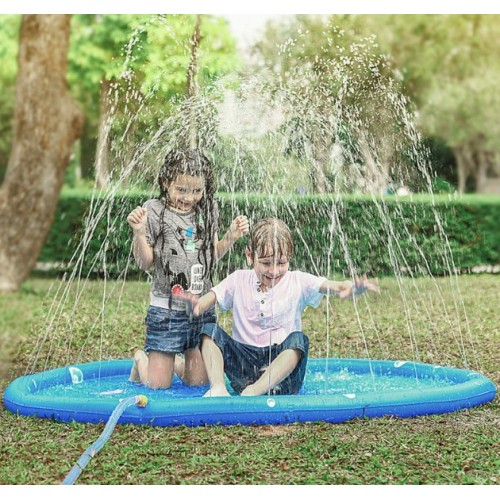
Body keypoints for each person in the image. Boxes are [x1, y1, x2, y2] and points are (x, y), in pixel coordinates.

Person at [174, 217, 379, 397]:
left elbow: (334, 285)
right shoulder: (238, 279)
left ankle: (255, 391)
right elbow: (204, 302)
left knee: (298, 341)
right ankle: (218, 388)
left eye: (281, 263)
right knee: (209, 331)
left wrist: (353, 288)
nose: (274, 271)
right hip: (243, 369)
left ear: (289, 257)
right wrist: (194, 305)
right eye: (265, 263)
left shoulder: (298, 280)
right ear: (249, 256)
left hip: (283, 378)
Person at [127, 148, 249, 389]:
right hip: (166, 309)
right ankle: (142, 359)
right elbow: (145, 263)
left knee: (199, 383)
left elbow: (211, 255)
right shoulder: (154, 211)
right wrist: (139, 233)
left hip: (200, 308)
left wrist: (230, 237)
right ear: (166, 182)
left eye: (197, 190)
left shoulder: (207, 210)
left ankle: (170, 364)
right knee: (157, 386)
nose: (189, 197)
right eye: (182, 190)